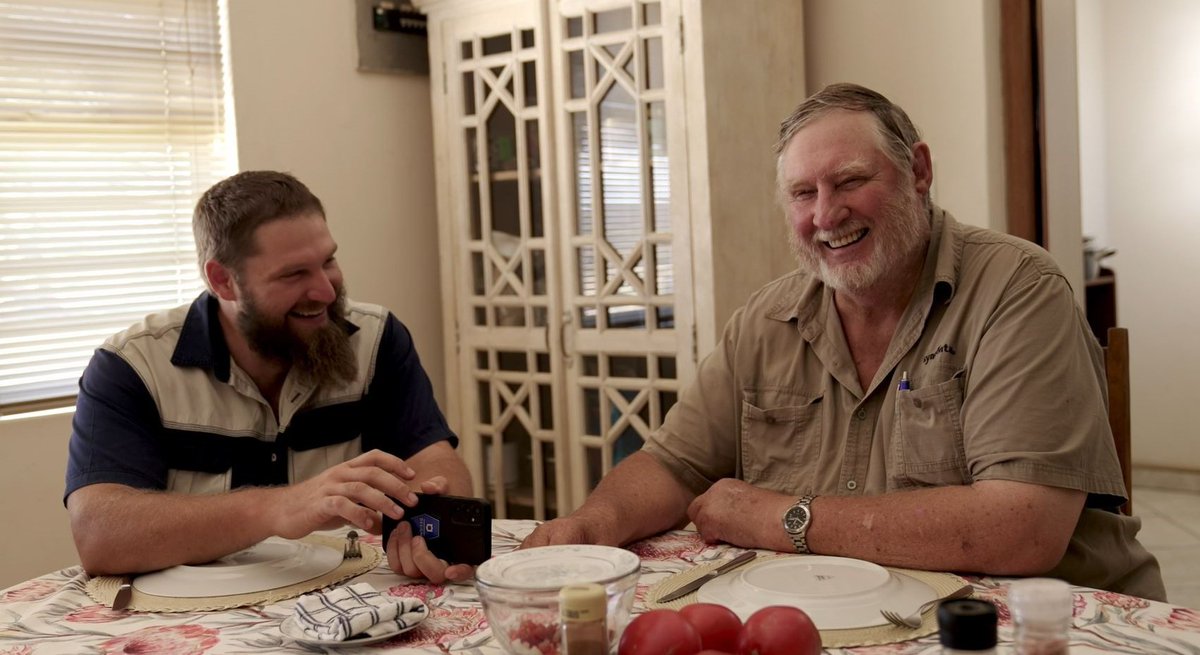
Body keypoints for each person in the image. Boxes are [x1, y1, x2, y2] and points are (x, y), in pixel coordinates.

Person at [523, 83, 1165, 600]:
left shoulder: (1018, 288)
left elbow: (1023, 527)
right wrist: (594, 523)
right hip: (850, 614)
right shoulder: (765, 319)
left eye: (850, 181)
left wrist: (781, 516)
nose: (826, 215)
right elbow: (673, 465)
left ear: (918, 171)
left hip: (1048, 621)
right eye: (803, 193)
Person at [64, 170, 473, 584]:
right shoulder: (133, 366)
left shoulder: (376, 339)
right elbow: (100, 535)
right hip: (196, 610)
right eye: (294, 274)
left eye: (328, 261)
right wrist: (281, 508)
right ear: (223, 280)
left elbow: (433, 459)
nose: (326, 291)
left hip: (348, 595)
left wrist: (429, 528)